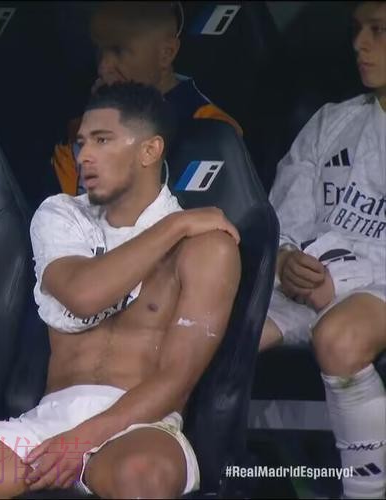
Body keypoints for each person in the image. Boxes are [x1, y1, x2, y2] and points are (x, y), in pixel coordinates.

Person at [0, 82, 241, 498]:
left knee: (141, 477)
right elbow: (83, 294)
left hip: (143, 426)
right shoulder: (60, 215)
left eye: (102, 140)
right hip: (50, 420)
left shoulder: (207, 247)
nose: (84, 156)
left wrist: (85, 439)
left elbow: (177, 378)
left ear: (150, 151)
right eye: (81, 142)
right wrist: (175, 225)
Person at [259, 2, 386, 497]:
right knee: (211, 333)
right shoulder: (331, 121)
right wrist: (286, 262)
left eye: (379, 31)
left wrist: (346, 280)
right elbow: (281, 221)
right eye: (357, 30)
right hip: (309, 284)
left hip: (376, 286)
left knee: (339, 336)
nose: (359, 44)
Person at [51, 1, 242, 196]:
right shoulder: (81, 129)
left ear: (166, 54)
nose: (103, 67)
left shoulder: (213, 130)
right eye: (100, 50)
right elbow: (59, 203)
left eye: (119, 51)